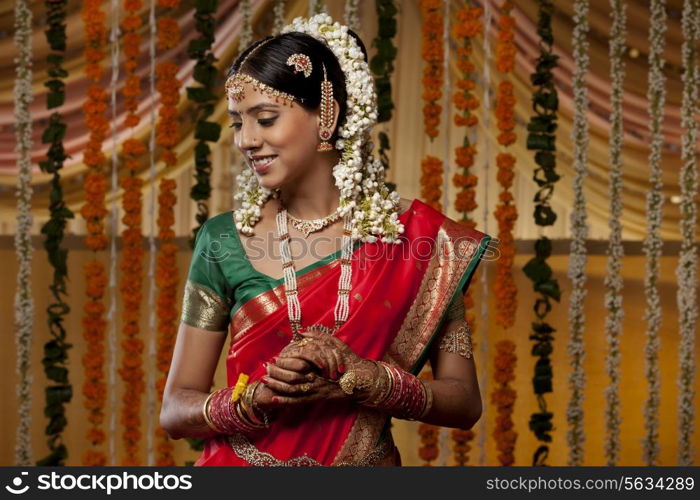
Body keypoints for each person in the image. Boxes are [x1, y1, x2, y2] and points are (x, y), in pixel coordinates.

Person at [160, 14, 492, 466]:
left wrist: (373, 380)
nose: (247, 140)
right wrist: (251, 399)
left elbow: (465, 403)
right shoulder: (224, 239)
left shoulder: (420, 241)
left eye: (266, 118)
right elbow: (176, 409)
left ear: (328, 115)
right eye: (239, 122)